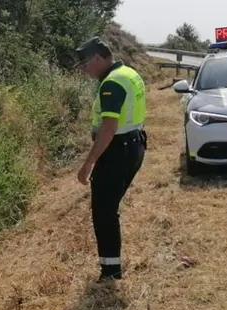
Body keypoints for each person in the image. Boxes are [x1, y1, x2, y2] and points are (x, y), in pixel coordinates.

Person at [74, 36, 148, 282]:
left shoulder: (111, 84)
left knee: (104, 212)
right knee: (108, 208)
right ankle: (111, 268)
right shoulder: (129, 73)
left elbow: (108, 128)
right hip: (134, 145)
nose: (84, 70)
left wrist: (88, 163)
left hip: (117, 150)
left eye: (85, 64)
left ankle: (111, 272)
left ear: (98, 58)